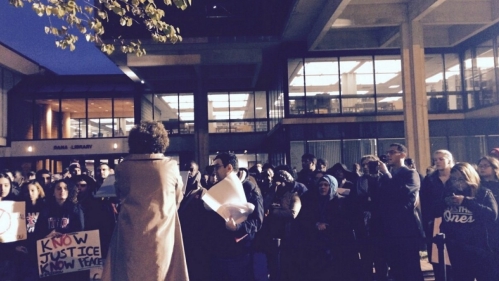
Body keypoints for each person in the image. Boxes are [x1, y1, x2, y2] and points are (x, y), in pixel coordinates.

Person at [102, 121, 188, 281]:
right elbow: (178, 197)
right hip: (161, 234)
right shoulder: (169, 166)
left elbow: (119, 195)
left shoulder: (123, 167)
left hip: (130, 233)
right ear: (161, 141)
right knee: (162, 272)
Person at [206, 152, 264, 281]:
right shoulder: (217, 187)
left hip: (239, 252)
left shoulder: (249, 188)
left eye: (217, 167)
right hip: (218, 250)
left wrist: (237, 227)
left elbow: (257, 221)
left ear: (229, 168)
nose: (214, 171)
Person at [439, 162, 498, 281]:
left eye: (461, 178)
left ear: (469, 177)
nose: (457, 182)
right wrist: (445, 202)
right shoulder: (448, 192)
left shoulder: (483, 192)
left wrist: (466, 201)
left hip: (479, 247)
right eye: (454, 179)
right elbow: (433, 211)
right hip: (456, 246)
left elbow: (492, 215)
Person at [377, 143, 424, 281]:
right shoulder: (386, 175)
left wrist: (386, 174)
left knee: (410, 267)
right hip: (389, 228)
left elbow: (402, 193)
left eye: (392, 152)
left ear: (403, 155)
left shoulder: (410, 173)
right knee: (395, 267)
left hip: (405, 229)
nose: (388, 155)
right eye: (387, 152)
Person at [350, 155, 389, 281]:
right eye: (364, 165)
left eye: (369, 164)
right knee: (366, 257)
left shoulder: (384, 179)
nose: (366, 167)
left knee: (381, 258)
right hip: (363, 224)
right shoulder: (358, 181)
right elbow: (354, 202)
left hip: (380, 224)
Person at [420, 149, 454, 281]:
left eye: (441, 159)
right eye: (435, 160)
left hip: (455, 220)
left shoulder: (457, 176)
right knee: (436, 257)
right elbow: (424, 201)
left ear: (449, 160)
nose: (437, 162)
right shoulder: (430, 179)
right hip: (435, 220)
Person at [15, 180, 46, 281]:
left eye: (33, 190)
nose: (30, 194)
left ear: (38, 191)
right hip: (24, 248)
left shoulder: (46, 207)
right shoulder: (18, 208)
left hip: (41, 248)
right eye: (26, 191)